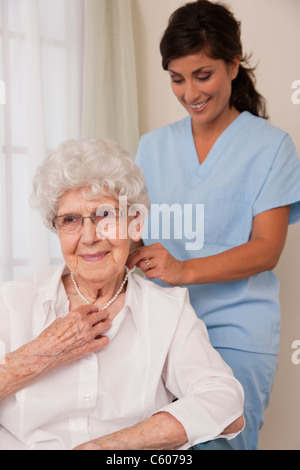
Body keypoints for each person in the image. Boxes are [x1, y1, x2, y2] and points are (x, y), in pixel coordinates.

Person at [127, 0, 300, 450]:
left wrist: (183, 269)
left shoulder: (272, 148)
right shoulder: (152, 147)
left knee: (219, 444)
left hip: (236, 335)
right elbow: (136, 237)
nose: (190, 93)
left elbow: (266, 249)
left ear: (233, 65)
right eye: (177, 79)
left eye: (203, 75)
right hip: (160, 334)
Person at [0, 137, 244, 450]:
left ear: (135, 224)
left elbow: (225, 402)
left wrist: (104, 447)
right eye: (70, 220)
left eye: (105, 215)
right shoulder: (11, 302)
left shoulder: (166, 310)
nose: (89, 236)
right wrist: (41, 353)